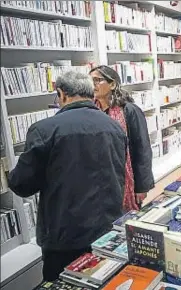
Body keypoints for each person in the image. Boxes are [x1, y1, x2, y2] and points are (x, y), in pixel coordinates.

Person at [8, 71, 127, 281]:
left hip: (64, 234)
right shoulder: (114, 126)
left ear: (61, 94)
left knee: (63, 283)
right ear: (91, 93)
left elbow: (21, 184)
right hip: (107, 228)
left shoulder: (44, 130)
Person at [90, 66, 154, 212]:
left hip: (125, 179)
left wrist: (141, 187)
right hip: (102, 179)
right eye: (90, 81)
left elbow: (142, 149)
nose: (92, 84)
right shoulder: (91, 111)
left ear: (112, 84)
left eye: (97, 80)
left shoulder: (129, 110)